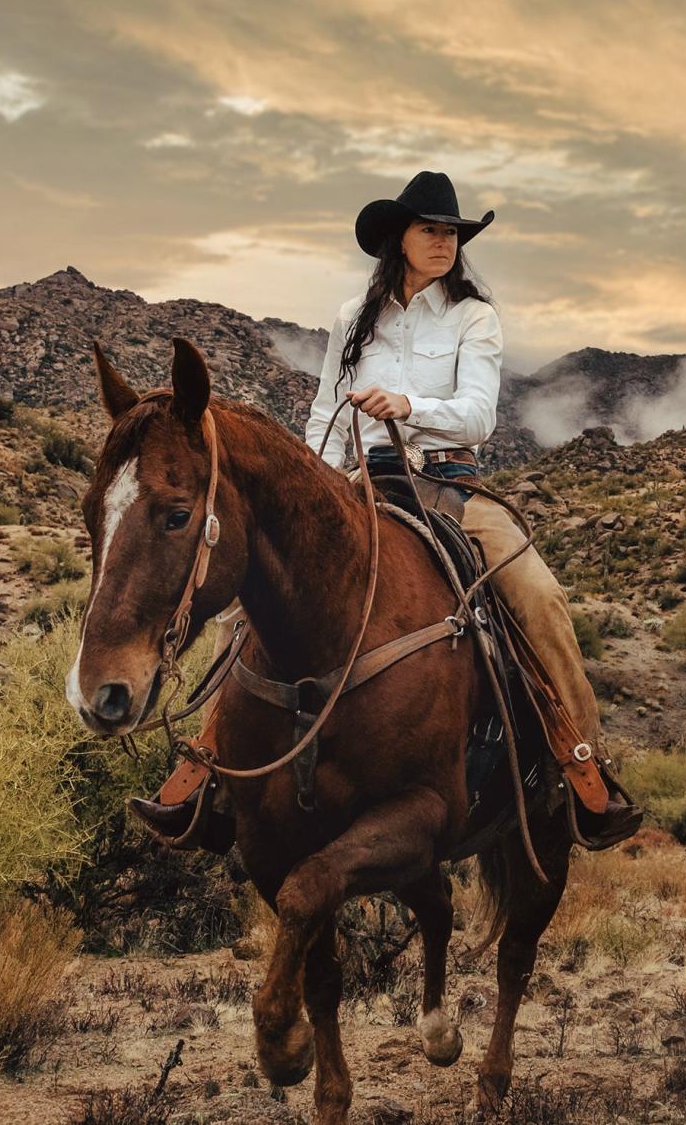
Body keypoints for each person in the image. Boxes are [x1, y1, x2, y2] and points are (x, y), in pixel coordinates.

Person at [133, 171, 639, 848]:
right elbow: (324, 412)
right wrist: (304, 489)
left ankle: (582, 771)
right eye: (429, 228)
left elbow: (480, 417)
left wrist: (410, 407)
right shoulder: (353, 319)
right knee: (249, 600)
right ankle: (211, 774)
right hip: (356, 485)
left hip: (449, 487)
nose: (443, 240)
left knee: (538, 595)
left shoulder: (473, 317)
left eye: (451, 231)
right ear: (397, 239)